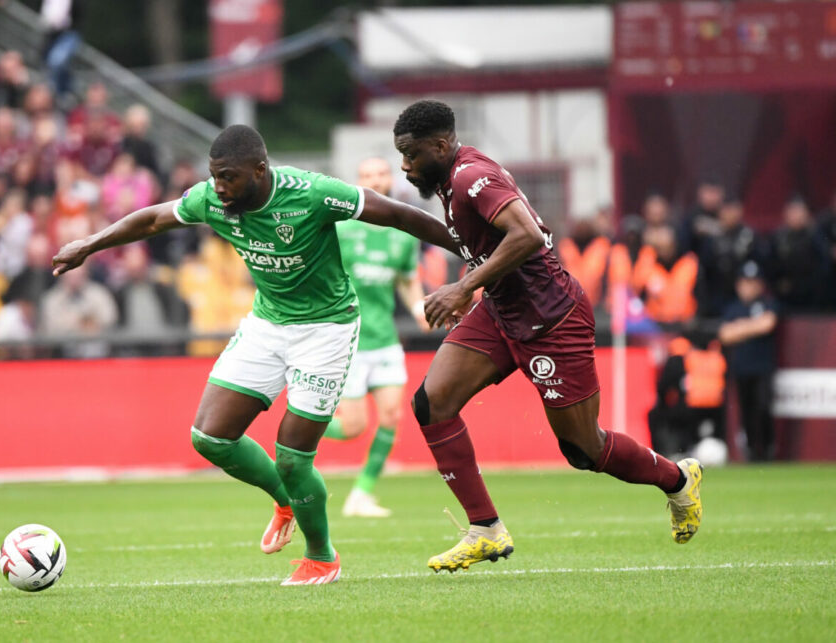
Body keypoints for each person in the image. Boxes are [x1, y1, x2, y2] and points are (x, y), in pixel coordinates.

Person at [52, 125, 456, 586]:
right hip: (267, 324)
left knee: (293, 457)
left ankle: (322, 558)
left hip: (326, 329)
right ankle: (286, 500)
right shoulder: (213, 199)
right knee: (210, 437)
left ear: (260, 171)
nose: (219, 188)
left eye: (228, 178)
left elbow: (398, 215)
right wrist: (89, 245)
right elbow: (150, 220)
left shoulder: (313, 193)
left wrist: (467, 251)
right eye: (214, 177)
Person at [390, 100, 703, 573]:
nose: (405, 166)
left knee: (583, 449)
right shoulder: (450, 182)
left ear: (440, 146)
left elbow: (529, 235)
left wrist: (462, 286)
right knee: (431, 403)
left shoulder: (470, 175)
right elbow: (471, 239)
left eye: (411, 155)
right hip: (501, 311)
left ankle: (678, 478)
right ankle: (485, 529)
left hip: (553, 320)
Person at [323, 156, 427, 518]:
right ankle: (297, 434)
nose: (375, 180)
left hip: (384, 338)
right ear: (358, 182)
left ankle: (361, 494)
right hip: (349, 339)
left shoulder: (402, 233)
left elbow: (407, 279)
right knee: (353, 427)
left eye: (381, 174)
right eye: (367, 175)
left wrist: (418, 308)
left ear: (390, 180)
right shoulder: (340, 227)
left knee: (390, 417)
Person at [718, 260, 779, 462]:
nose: (749, 287)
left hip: (762, 367)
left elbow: (768, 324)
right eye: (745, 282)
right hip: (741, 368)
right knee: (746, 411)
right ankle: (752, 452)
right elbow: (725, 334)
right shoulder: (733, 307)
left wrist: (741, 328)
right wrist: (753, 326)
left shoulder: (767, 303)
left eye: (753, 282)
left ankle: (768, 449)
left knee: (763, 407)